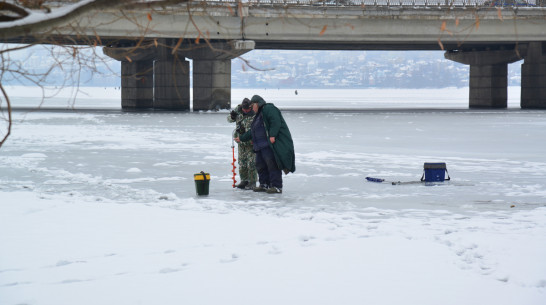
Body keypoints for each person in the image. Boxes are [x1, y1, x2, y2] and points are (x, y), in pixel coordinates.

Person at [236, 95, 295, 194]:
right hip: (259, 146)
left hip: (268, 145)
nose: (251, 108)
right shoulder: (258, 115)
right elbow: (253, 131)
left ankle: (276, 186)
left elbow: (275, 121)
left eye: (252, 106)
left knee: (272, 165)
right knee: (260, 165)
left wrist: (272, 135)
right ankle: (264, 184)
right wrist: (241, 138)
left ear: (257, 104)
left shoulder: (269, 109)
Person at [227, 98, 257, 190]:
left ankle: (252, 182)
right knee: (242, 162)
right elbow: (229, 119)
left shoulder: (254, 113)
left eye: (248, 109)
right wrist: (232, 117)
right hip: (240, 141)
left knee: (251, 162)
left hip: (251, 142)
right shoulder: (238, 110)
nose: (246, 111)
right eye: (245, 110)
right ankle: (244, 180)